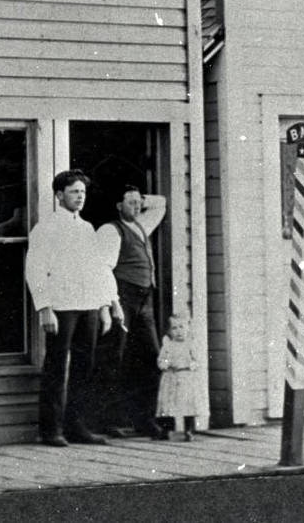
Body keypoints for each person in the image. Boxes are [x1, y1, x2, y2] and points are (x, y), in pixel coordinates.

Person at [25, 169, 120, 447]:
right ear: (59, 195)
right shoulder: (46, 228)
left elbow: (97, 269)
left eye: (82, 192)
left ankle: (76, 426)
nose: (80, 197)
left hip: (88, 304)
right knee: (56, 366)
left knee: (84, 366)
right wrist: (45, 307)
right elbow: (35, 268)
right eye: (74, 192)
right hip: (62, 306)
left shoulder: (87, 228)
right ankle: (51, 430)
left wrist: (104, 306)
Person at [94, 185, 167, 439]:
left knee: (151, 356)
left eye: (139, 203)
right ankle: (105, 421)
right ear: (118, 206)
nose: (137, 207)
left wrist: (140, 198)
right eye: (130, 202)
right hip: (122, 297)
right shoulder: (110, 230)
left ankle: (144, 420)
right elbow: (103, 269)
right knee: (113, 357)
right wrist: (109, 304)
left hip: (144, 300)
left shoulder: (141, 226)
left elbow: (160, 204)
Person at [156, 314, 199, 441]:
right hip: (170, 376)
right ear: (169, 331)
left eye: (181, 327)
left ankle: (188, 430)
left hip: (185, 377)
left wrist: (192, 365)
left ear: (188, 328)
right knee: (168, 404)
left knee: (187, 404)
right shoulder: (168, 345)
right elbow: (161, 359)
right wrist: (165, 364)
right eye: (174, 328)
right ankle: (167, 429)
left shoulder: (190, 344)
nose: (178, 331)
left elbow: (196, 360)